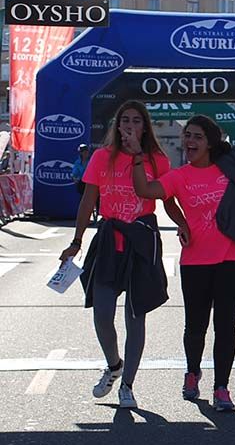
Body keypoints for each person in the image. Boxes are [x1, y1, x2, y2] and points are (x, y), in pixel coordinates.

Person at [132, 115, 235, 412]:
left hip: (232, 258)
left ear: (211, 142)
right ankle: (192, 372)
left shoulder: (231, 168)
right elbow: (147, 192)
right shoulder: (180, 176)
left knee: (226, 326)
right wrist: (138, 158)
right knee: (195, 327)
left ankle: (222, 388)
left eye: (197, 137)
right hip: (195, 262)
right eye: (187, 135)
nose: (190, 141)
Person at [59, 101, 188, 410]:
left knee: (135, 315)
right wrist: (76, 241)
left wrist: (182, 222)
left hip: (141, 237)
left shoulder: (156, 160)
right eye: (124, 120)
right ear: (117, 126)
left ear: (145, 127)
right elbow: (89, 199)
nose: (130, 126)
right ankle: (114, 364)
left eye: (136, 121)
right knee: (102, 313)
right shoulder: (102, 157)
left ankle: (127, 384)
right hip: (109, 237)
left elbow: (166, 197)